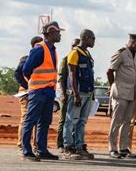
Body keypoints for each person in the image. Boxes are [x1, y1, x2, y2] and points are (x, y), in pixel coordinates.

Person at [21, 21, 64, 161]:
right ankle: (27, 150)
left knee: (45, 121)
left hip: (49, 91)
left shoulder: (53, 50)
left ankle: (42, 149)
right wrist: (33, 84)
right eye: (58, 32)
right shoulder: (39, 49)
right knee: (31, 120)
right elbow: (26, 70)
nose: (60, 35)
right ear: (51, 34)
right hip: (38, 91)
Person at [107, 33, 136, 159]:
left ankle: (123, 148)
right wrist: (113, 86)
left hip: (132, 93)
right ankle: (112, 148)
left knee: (127, 122)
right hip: (121, 92)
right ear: (133, 42)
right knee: (116, 121)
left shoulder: (134, 55)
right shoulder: (121, 53)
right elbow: (110, 71)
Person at [62, 29, 96, 160]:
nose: (94, 42)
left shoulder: (87, 53)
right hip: (78, 92)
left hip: (87, 93)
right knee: (71, 120)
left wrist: (92, 93)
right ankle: (68, 147)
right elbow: (72, 75)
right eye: (92, 39)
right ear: (86, 38)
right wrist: (76, 94)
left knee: (82, 121)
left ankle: (79, 146)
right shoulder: (74, 53)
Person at [14, 36, 43, 152]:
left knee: (38, 119)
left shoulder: (43, 60)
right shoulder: (26, 59)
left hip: (38, 91)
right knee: (26, 117)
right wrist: (28, 86)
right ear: (35, 45)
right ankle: (22, 144)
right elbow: (17, 74)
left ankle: (36, 145)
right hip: (26, 91)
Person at [56, 38, 80, 153]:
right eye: (73, 45)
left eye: (77, 46)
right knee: (64, 119)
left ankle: (74, 143)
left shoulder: (80, 59)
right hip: (66, 94)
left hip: (76, 94)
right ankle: (61, 143)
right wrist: (63, 94)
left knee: (76, 120)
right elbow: (61, 79)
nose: (75, 48)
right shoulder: (65, 60)